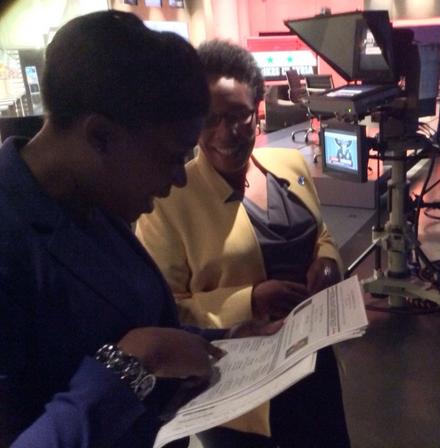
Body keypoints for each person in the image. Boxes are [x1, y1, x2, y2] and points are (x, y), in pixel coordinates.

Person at [0, 12, 279, 447]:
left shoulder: (95, 195)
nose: (181, 178)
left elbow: (135, 323)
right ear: (100, 136)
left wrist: (226, 340)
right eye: (171, 157)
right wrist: (134, 364)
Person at [135, 39, 351, 448]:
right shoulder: (168, 201)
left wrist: (327, 260)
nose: (226, 134)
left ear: (258, 110)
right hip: (241, 392)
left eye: (239, 116)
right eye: (210, 119)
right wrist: (249, 300)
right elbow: (168, 310)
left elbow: (321, 233)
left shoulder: (290, 164)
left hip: (314, 362)